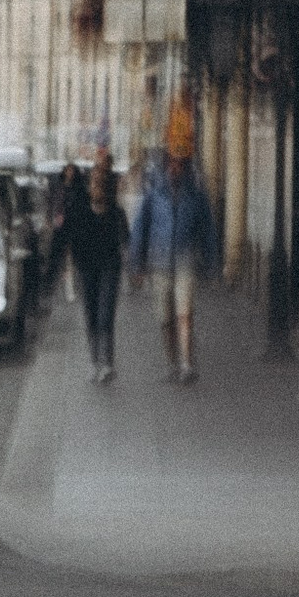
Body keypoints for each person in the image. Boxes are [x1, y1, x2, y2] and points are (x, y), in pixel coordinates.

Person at [129, 99, 216, 383]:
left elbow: (207, 228)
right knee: (165, 317)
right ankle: (171, 363)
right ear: (167, 165)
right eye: (173, 162)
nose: (177, 168)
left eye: (182, 163)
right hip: (159, 260)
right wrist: (136, 264)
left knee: (184, 312)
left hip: (185, 257)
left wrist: (212, 261)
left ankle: (188, 364)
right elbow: (140, 229)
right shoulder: (155, 195)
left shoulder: (196, 195)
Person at [58, 143, 126, 385]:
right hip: (86, 267)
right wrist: (67, 263)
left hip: (109, 267)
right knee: (92, 314)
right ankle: (95, 360)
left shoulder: (115, 212)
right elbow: (67, 236)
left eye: (100, 183)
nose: (96, 187)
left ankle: (107, 363)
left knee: (106, 314)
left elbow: (124, 238)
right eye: (93, 183)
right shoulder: (79, 208)